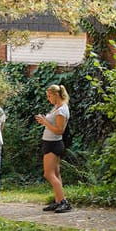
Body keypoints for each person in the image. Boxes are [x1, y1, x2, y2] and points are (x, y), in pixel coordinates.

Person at [35, 84, 72, 214]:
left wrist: (45, 122)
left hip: (53, 144)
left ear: (56, 95)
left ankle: (63, 202)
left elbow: (59, 130)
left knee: (48, 174)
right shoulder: (57, 107)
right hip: (50, 142)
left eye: (49, 96)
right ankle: (58, 201)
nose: (48, 98)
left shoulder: (62, 110)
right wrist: (44, 121)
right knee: (56, 174)